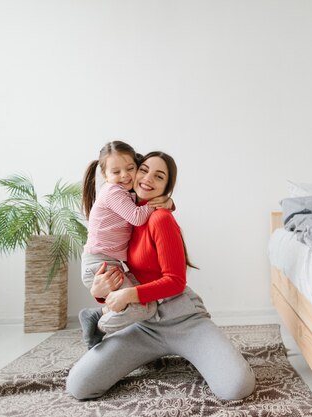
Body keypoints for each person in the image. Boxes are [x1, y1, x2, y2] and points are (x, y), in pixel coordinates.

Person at [67, 151, 256, 401]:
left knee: (236, 388)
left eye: (159, 176)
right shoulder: (126, 216)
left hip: (183, 320)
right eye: (143, 170)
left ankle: (216, 354)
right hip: (143, 324)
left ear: (166, 186)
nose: (147, 179)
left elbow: (176, 281)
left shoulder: (160, 218)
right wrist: (99, 293)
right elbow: (119, 273)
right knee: (79, 386)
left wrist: (128, 294)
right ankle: (111, 329)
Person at [80, 141, 173, 349]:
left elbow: (141, 204)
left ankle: (100, 315)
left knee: (145, 303)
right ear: (105, 175)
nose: (125, 175)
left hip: (110, 263)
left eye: (130, 168)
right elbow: (137, 217)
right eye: (116, 171)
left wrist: (167, 202)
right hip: (99, 265)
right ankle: (98, 324)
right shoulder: (113, 192)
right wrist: (158, 201)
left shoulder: (125, 192)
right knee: (142, 309)